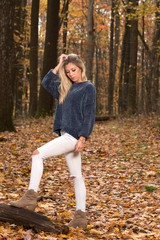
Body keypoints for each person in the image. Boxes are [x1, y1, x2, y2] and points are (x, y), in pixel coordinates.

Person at [10, 53, 96, 228]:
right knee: (77, 177)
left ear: (81, 68)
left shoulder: (88, 88)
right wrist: (59, 64)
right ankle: (80, 218)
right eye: (68, 71)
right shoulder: (65, 88)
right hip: (66, 135)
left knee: (37, 154)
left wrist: (82, 138)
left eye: (73, 70)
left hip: (73, 136)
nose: (71, 74)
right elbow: (46, 82)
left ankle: (31, 196)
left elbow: (89, 115)